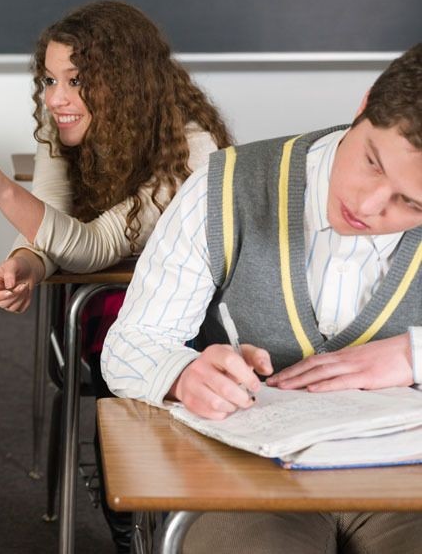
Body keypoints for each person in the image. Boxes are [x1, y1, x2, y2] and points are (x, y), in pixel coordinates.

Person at [101, 44, 422, 553]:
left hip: (408, 475)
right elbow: (132, 342)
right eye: (372, 163)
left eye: (411, 202)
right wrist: (183, 374)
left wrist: (413, 354)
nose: (368, 204)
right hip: (245, 474)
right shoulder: (224, 185)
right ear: (363, 106)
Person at [0, 0, 230, 552]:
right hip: (112, 307)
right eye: (49, 79)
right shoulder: (60, 121)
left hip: (199, 316)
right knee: (110, 333)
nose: (55, 98)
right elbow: (55, 221)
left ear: (125, 81)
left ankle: (166, 510)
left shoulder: (192, 147)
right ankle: (129, 520)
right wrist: (25, 262)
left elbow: (93, 247)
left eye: (75, 81)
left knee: (136, 339)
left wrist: (0, 187)